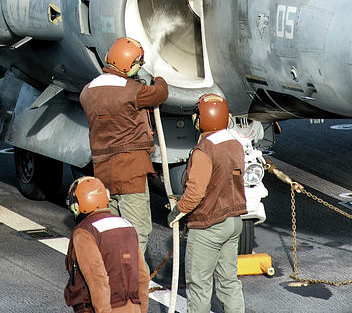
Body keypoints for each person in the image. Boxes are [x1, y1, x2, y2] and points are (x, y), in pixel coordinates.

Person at [79, 37, 168, 256]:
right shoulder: (133, 90)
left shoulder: (87, 91)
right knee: (136, 232)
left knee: (112, 231)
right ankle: (133, 281)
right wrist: (158, 78)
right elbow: (160, 94)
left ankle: (114, 276)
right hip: (131, 171)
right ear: (129, 65)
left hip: (102, 171)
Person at [168, 94, 247, 313]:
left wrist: (178, 211)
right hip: (233, 221)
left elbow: (195, 192)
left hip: (208, 226)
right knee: (229, 282)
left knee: (199, 286)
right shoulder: (235, 143)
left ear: (200, 119)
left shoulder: (204, 149)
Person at [64, 176, 150, 313]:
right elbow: (143, 277)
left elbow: (98, 280)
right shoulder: (127, 226)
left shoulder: (84, 232)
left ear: (77, 206)